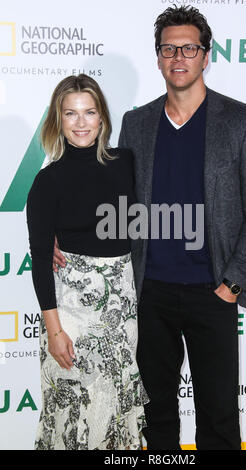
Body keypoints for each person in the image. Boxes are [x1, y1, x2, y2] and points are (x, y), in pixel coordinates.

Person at [54, 6, 246, 450]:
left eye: (189, 47)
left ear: (206, 55)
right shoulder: (137, 124)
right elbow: (113, 198)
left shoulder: (242, 122)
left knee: (217, 417)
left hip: (213, 291)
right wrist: (60, 230)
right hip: (149, 293)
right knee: (155, 417)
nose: (179, 56)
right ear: (157, 57)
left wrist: (232, 283)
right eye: (169, 48)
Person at [26, 74, 148, 450]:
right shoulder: (47, 181)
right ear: (58, 121)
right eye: (71, 114)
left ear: (102, 118)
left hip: (121, 308)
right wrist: (55, 331)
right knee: (73, 413)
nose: (81, 123)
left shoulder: (126, 163)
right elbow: (41, 260)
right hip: (71, 313)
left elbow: (145, 219)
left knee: (115, 408)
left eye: (89, 112)